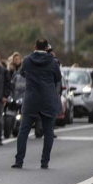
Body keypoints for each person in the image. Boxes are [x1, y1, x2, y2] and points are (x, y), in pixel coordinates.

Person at [12, 39, 62, 170]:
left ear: (34, 47)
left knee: (23, 131)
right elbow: (58, 78)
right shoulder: (53, 61)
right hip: (48, 100)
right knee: (48, 132)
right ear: (46, 48)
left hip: (31, 100)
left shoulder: (27, 60)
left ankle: (19, 161)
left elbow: (22, 73)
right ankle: (44, 162)